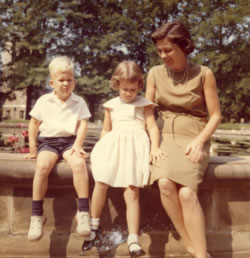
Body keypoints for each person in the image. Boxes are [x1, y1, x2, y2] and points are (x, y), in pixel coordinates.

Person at [145, 21, 221, 258]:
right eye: (159, 51)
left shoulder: (204, 74)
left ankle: (200, 254)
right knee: (165, 183)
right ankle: (191, 244)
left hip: (194, 135)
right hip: (165, 133)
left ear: (184, 46)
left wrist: (200, 141)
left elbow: (216, 116)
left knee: (187, 193)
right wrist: (154, 144)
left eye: (167, 50)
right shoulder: (155, 74)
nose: (163, 55)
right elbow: (147, 112)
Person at [81, 60, 165, 257]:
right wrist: (100, 149)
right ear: (116, 84)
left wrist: (155, 148)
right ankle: (93, 229)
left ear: (139, 86)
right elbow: (106, 129)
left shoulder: (144, 104)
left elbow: (152, 127)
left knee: (132, 191)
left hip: (135, 149)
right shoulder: (111, 105)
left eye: (133, 89)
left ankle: (133, 238)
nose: (128, 93)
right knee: (101, 183)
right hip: (114, 146)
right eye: (125, 89)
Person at [26, 56, 91, 241]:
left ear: (74, 82)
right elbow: (34, 123)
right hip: (49, 141)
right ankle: (37, 215)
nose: (65, 84)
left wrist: (78, 144)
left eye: (69, 80)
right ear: (52, 82)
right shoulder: (44, 101)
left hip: (70, 141)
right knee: (42, 167)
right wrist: (33, 146)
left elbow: (83, 124)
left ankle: (83, 213)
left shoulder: (79, 102)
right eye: (61, 80)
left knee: (79, 165)